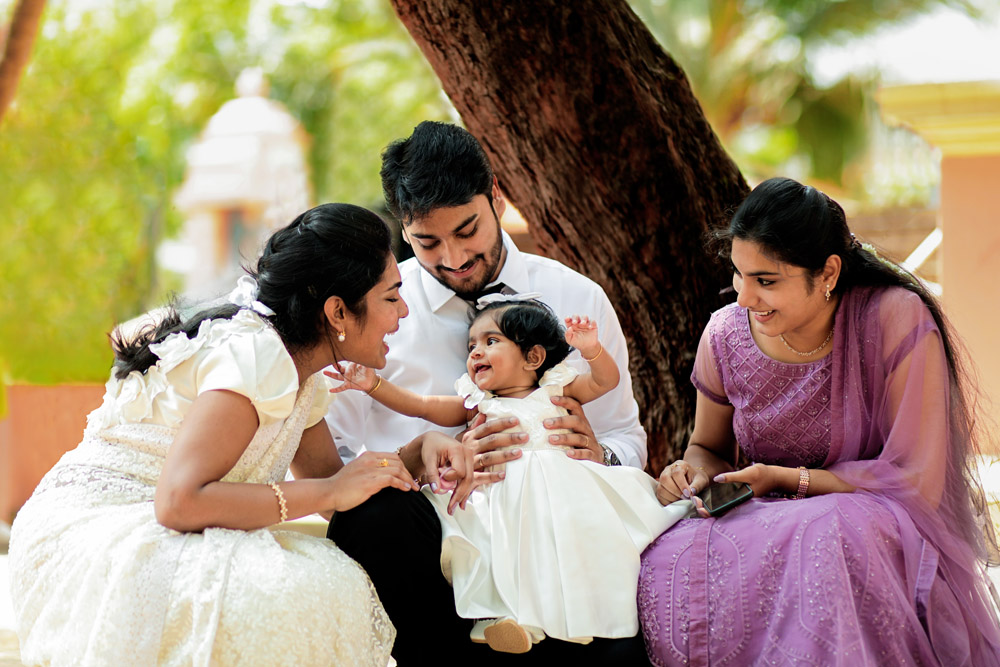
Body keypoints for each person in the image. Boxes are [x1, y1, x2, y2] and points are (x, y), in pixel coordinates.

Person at [8, 203, 477, 666]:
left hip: (161, 514)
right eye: (391, 297)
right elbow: (178, 502)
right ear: (337, 312)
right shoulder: (257, 355)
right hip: (99, 526)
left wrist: (419, 451)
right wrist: (333, 488)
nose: (404, 312)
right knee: (294, 593)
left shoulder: (302, 371)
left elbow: (337, 486)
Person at [326, 121, 652, 664]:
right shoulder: (375, 316)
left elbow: (626, 435)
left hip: (559, 529)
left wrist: (598, 454)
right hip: (432, 542)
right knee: (375, 522)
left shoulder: (576, 298)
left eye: (468, 230)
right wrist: (420, 461)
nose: (452, 257)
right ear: (403, 231)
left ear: (496, 196)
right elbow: (332, 465)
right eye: (427, 242)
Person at [638, 177, 1000, 666]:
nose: (744, 298)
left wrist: (789, 480)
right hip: (761, 510)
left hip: (869, 512)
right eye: (738, 275)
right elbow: (706, 446)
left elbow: (918, 480)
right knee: (665, 555)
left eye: (766, 281)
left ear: (828, 272)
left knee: (828, 533)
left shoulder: (893, 319)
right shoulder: (724, 333)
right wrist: (695, 472)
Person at [329, 297, 686, 653]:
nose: (475, 353)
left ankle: (578, 616)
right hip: (497, 495)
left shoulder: (556, 389)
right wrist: (373, 385)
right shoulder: (476, 402)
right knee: (489, 549)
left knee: (564, 550)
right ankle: (502, 621)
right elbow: (421, 405)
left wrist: (591, 349)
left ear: (533, 357)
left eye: (491, 341)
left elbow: (605, 381)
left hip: (556, 493)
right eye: (471, 346)